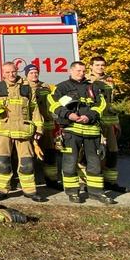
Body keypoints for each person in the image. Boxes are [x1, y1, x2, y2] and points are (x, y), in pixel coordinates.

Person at [0, 62, 45, 202]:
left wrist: (39, 128)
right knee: (3, 162)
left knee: (27, 163)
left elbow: (35, 109)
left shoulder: (26, 88)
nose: (11, 75)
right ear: (3, 74)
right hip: (4, 131)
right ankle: (2, 190)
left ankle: (30, 191)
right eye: (7, 72)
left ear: (17, 70)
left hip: (24, 131)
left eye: (13, 71)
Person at [48, 61, 113, 204]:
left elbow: (101, 105)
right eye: (78, 71)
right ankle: (72, 192)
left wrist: (89, 116)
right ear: (70, 71)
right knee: (70, 162)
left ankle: (96, 192)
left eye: (83, 71)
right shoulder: (62, 87)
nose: (81, 73)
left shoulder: (93, 87)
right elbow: (52, 103)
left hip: (91, 131)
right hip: (72, 130)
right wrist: (68, 115)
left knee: (94, 163)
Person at [87, 56, 125, 193]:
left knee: (112, 152)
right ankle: (92, 183)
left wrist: (116, 122)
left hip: (109, 122)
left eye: (102, 65)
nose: (100, 67)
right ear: (91, 66)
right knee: (95, 153)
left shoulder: (109, 80)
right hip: (94, 122)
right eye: (97, 65)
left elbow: (111, 103)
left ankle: (111, 182)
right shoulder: (86, 80)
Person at [24, 64, 62, 191]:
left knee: (49, 153)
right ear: (26, 75)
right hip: (29, 126)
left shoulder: (45, 87)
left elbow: (51, 104)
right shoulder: (22, 88)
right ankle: (28, 181)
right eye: (31, 73)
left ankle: (51, 179)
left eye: (36, 73)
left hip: (46, 126)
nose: (34, 75)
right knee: (27, 154)